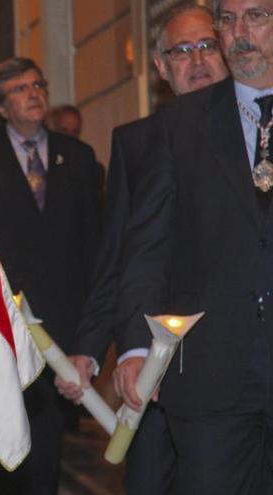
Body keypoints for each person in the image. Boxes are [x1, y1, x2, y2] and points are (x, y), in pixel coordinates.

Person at [55, 5, 229, 494]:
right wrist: (91, 348)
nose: (197, 61)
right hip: (157, 362)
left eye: (206, 46)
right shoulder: (137, 142)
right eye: (181, 51)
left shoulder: (257, 128)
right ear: (160, 69)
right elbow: (118, 254)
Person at [115, 0, 273, 491]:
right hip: (211, 375)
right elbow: (148, 246)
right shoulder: (180, 124)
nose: (238, 32)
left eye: (256, 16)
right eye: (227, 20)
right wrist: (136, 347)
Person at [0, 57, 101, 495]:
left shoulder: (76, 156)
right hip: (1, 326)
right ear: (0, 107)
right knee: (0, 444)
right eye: (19, 89)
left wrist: (90, 332)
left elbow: (94, 245)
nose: (34, 93)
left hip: (61, 325)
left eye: (38, 84)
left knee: (46, 447)